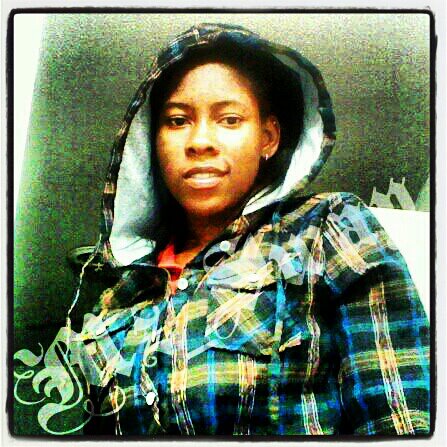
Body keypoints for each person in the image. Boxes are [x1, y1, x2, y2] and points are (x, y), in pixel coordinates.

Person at [72, 23, 430, 435]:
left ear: (268, 138)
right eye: (177, 120)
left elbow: (399, 415)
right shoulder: (118, 298)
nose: (200, 141)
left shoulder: (327, 229)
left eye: (229, 119)